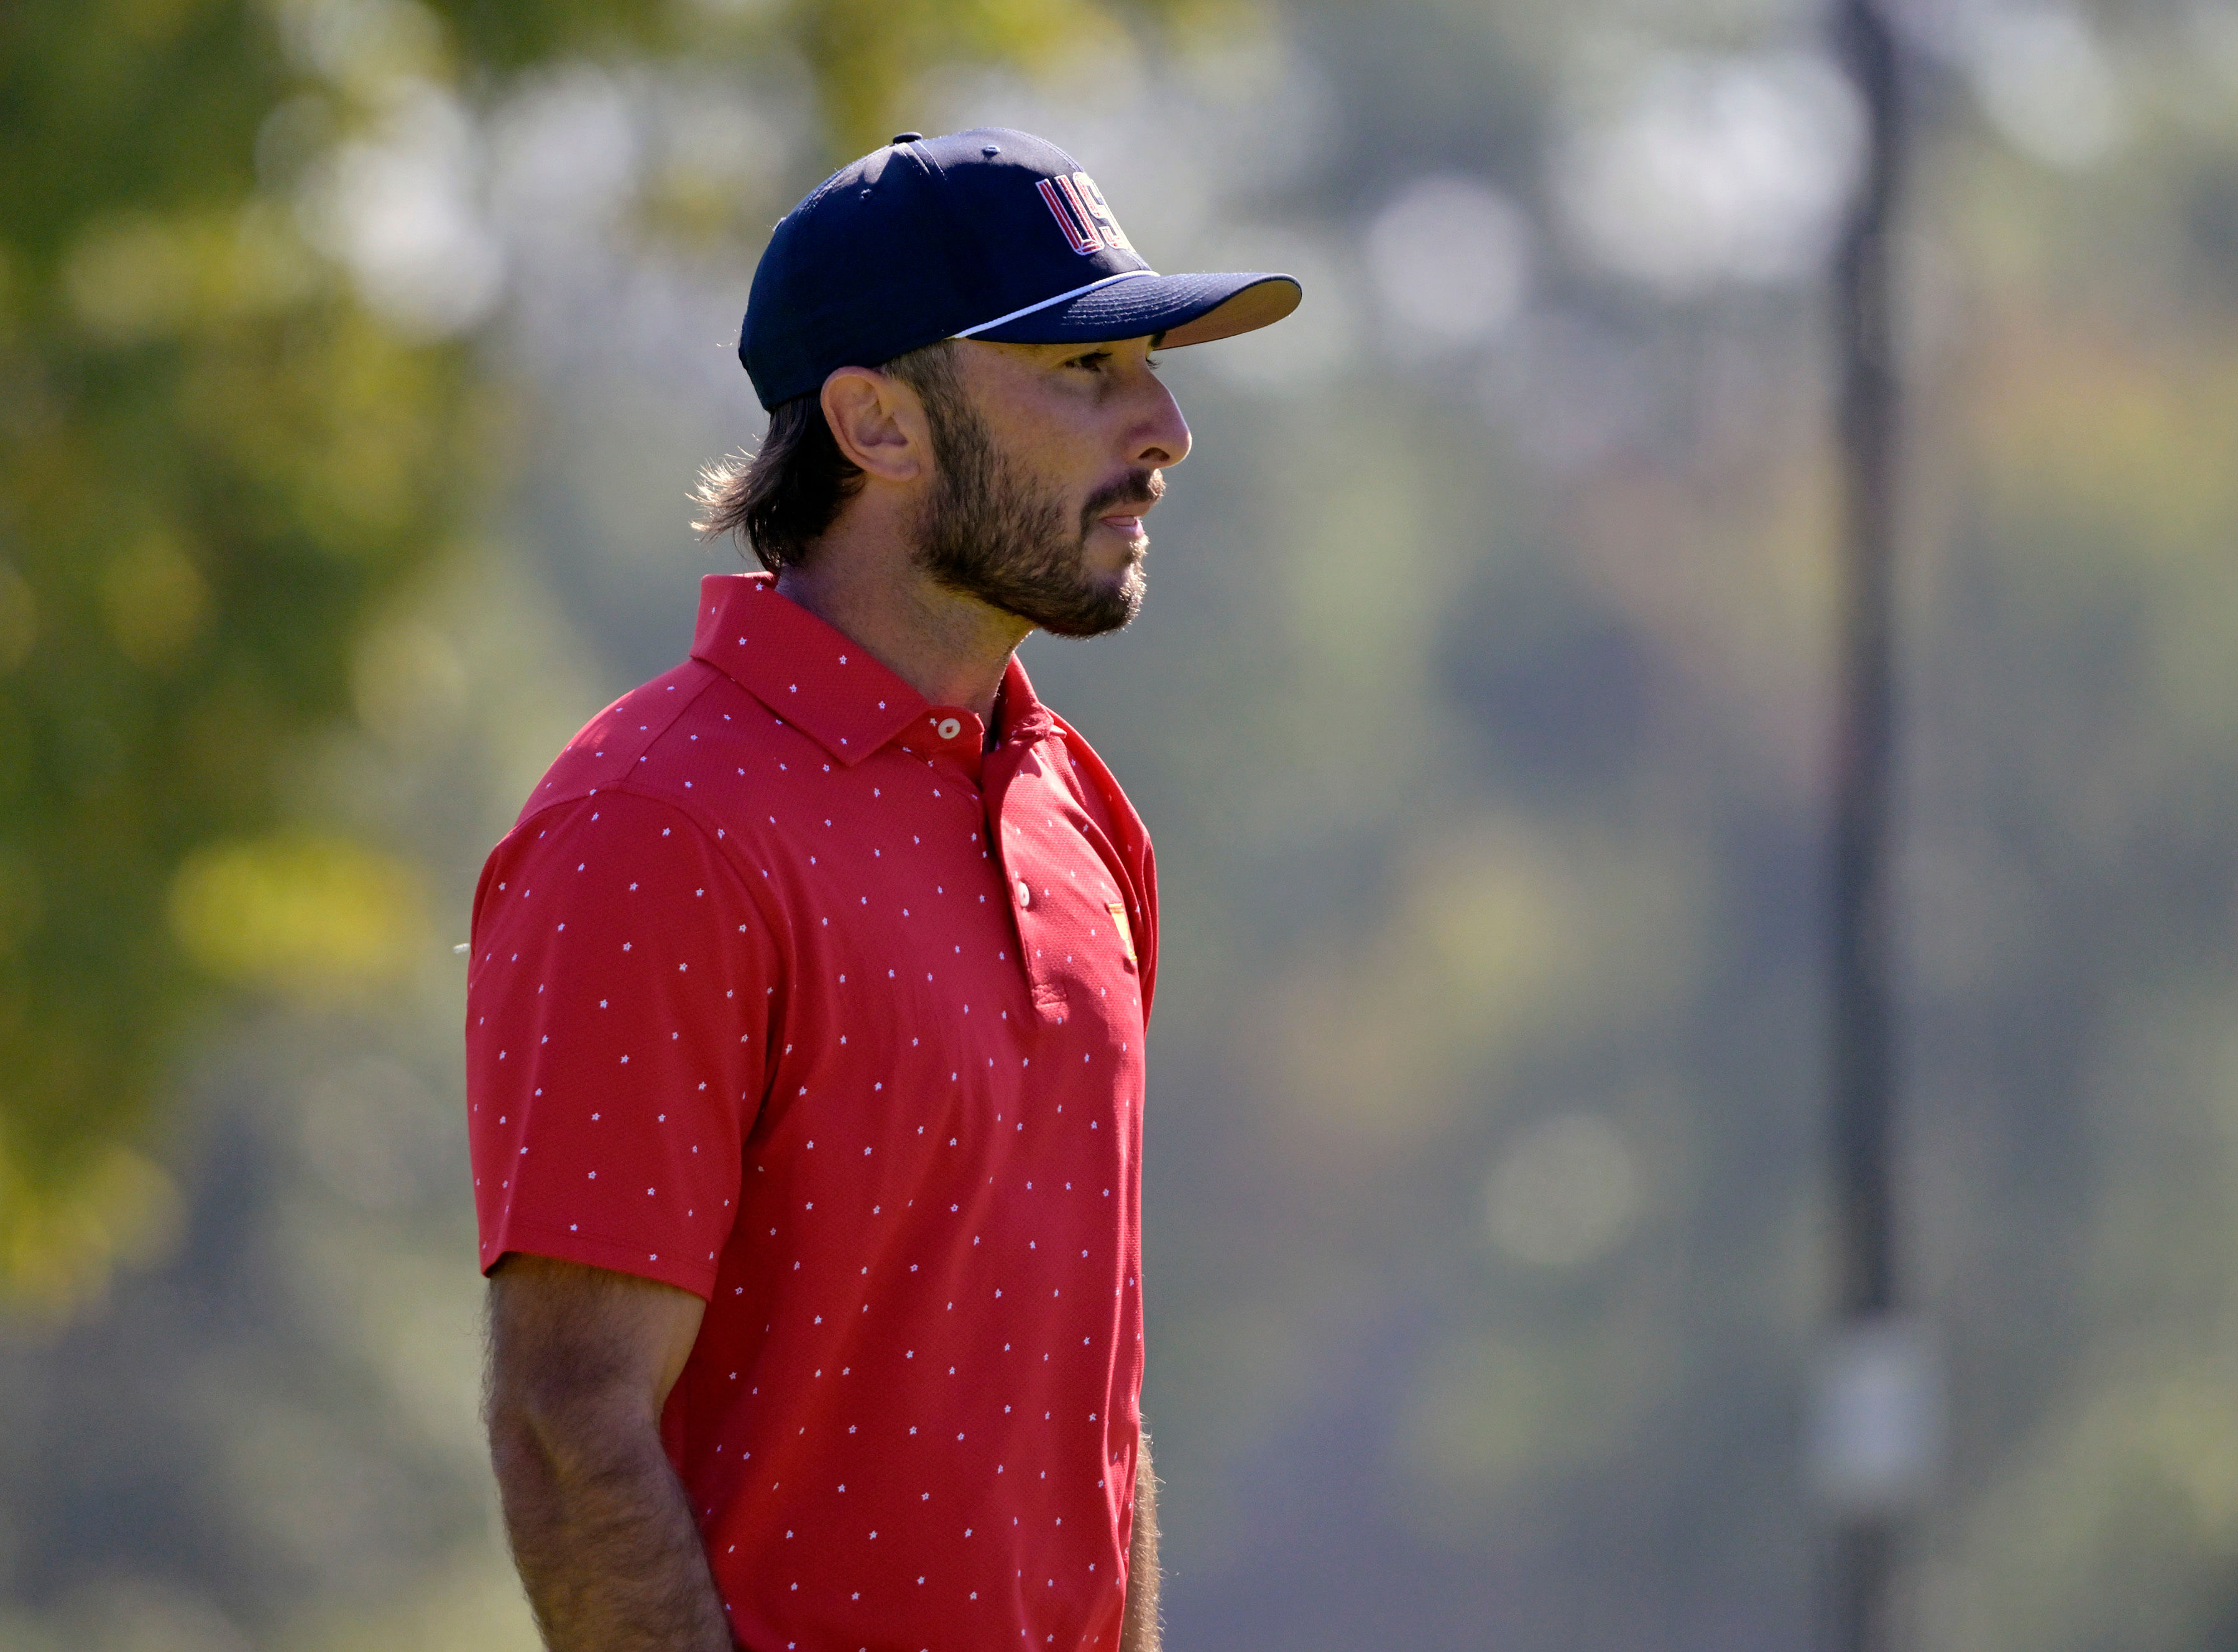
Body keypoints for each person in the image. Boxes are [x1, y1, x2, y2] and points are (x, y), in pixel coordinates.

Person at [464, 127, 1299, 1652]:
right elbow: (567, 1423)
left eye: (1152, 366)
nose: (1166, 423)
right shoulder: (653, 826)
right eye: (1085, 369)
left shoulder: (1078, 815)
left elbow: (1090, 1410)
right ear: (876, 424)